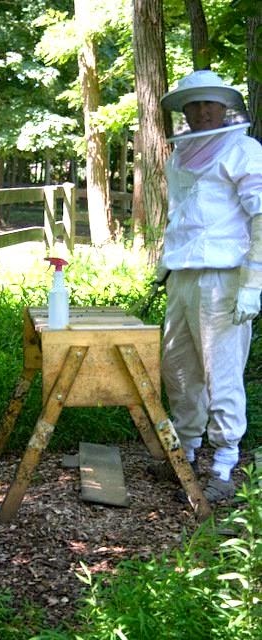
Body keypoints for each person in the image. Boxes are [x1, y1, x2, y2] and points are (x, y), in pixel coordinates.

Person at [154, 70, 262, 503]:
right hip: (181, 275)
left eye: (209, 103)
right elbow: (180, 215)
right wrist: (166, 264)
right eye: (194, 104)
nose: (202, 111)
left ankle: (224, 462)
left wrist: (253, 283)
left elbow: (260, 217)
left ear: (224, 107)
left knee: (222, 370)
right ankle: (186, 451)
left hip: (223, 277)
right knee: (178, 367)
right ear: (184, 110)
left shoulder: (244, 150)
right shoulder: (179, 155)